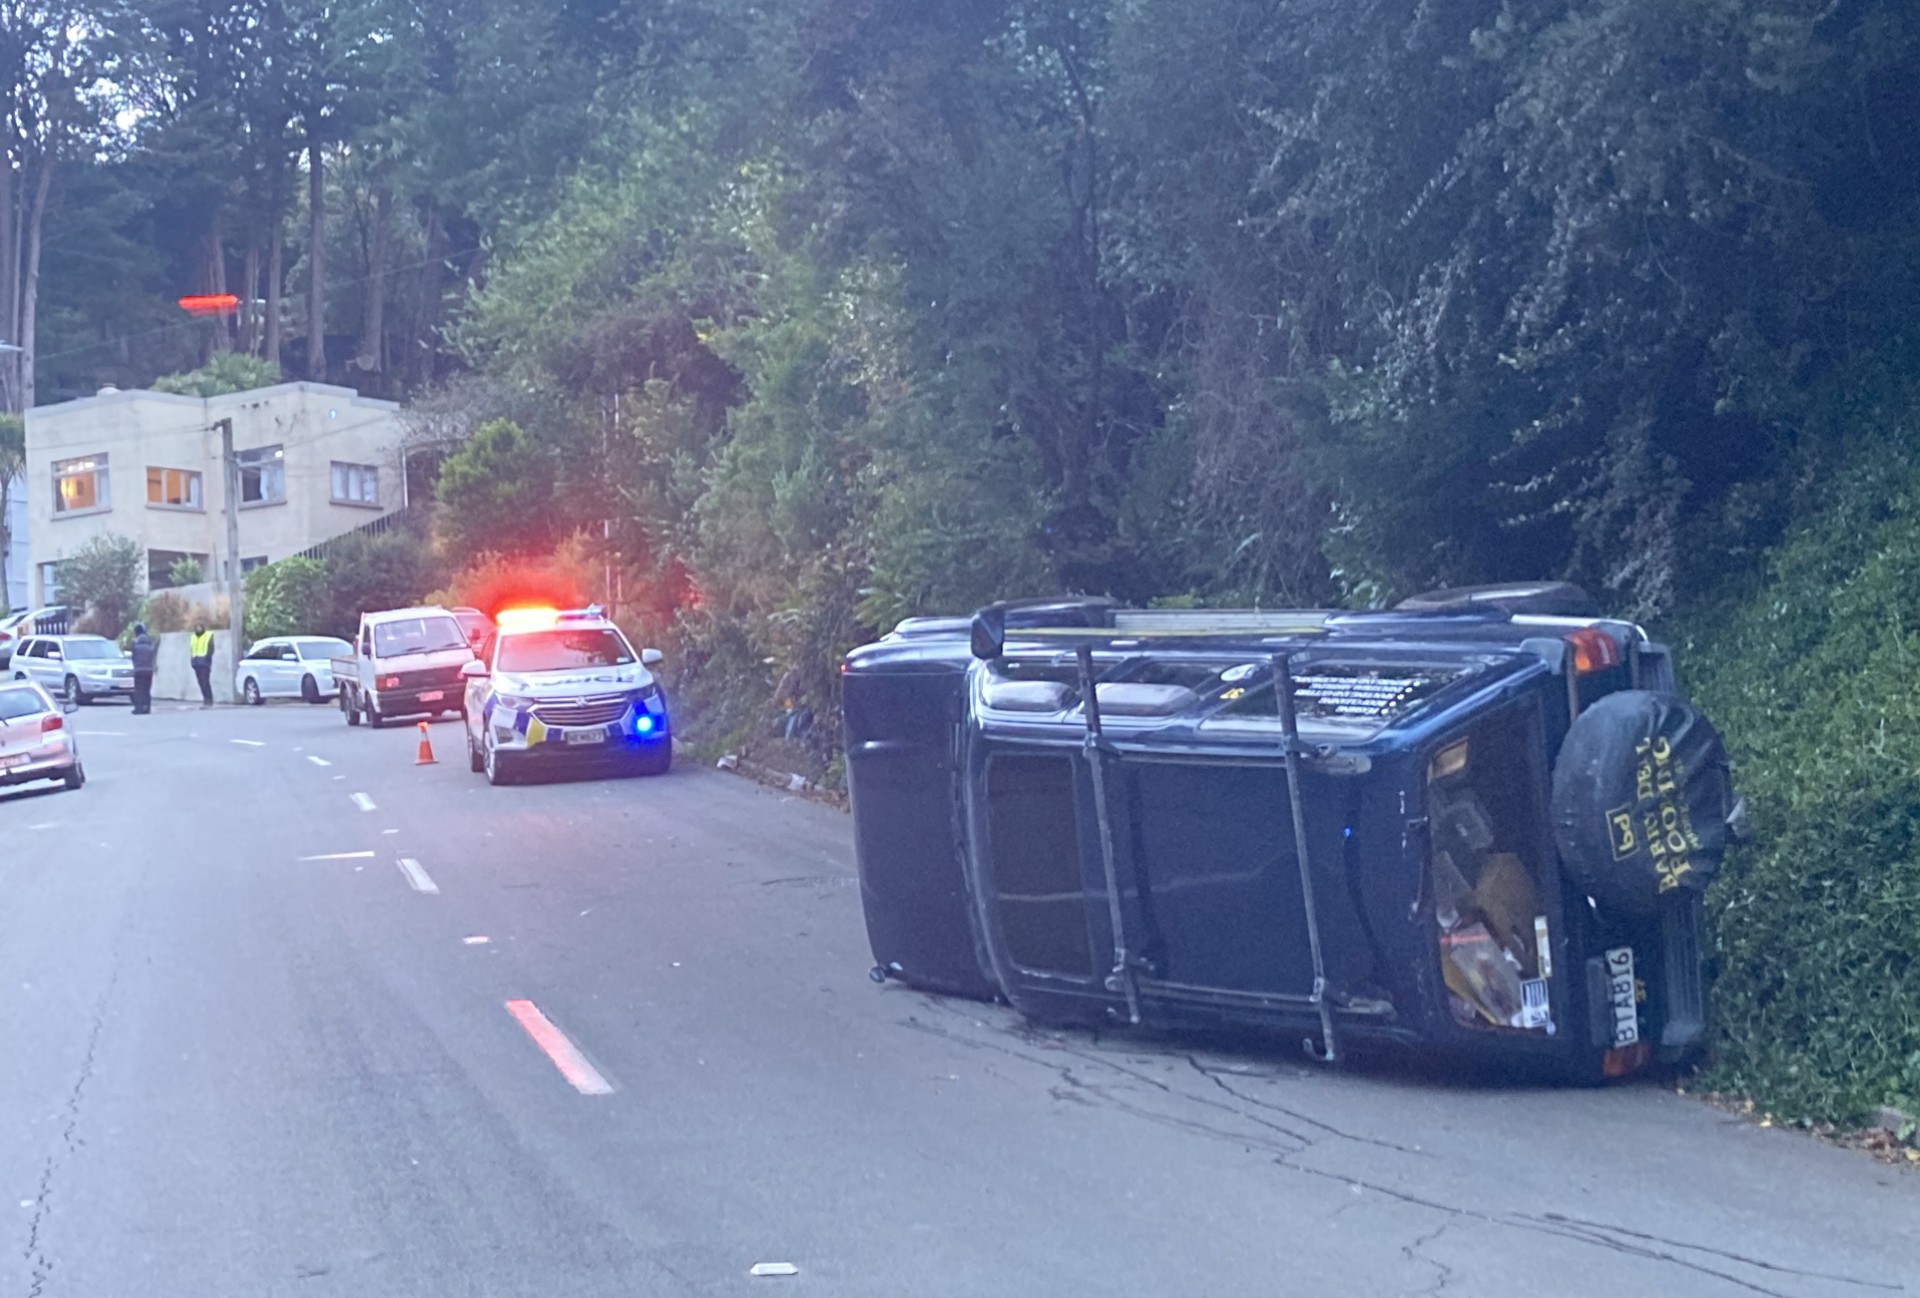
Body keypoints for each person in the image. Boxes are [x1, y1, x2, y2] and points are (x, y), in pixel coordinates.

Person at [128, 623, 156, 715]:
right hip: (149, 670)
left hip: (138, 670)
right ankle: (147, 707)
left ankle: (138, 708)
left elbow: (133, 658)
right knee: (147, 690)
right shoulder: (150, 647)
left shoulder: (136, 647)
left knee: (139, 690)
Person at [188, 620, 216, 708]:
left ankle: (209, 700)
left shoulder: (208, 636)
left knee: (205, 682)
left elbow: (211, 649)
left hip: (205, 663)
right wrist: (192, 661)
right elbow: (192, 650)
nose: (198, 629)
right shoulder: (193, 637)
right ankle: (205, 700)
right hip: (196, 663)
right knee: (200, 683)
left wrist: (206, 659)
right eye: (197, 627)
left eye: (200, 627)